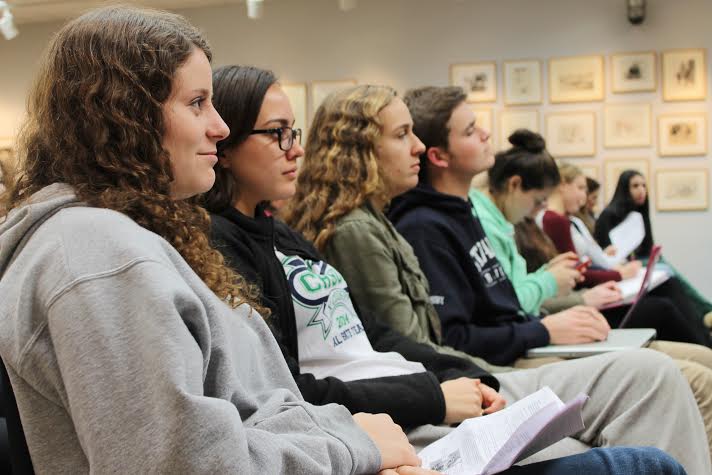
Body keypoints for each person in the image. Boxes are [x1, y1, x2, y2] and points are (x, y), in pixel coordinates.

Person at [0, 8, 443, 474]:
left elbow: (247, 415)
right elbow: (180, 464)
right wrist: (348, 443)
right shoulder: (99, 257)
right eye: (197, 103)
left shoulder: (137, 233)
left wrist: (349, 439)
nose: (221, 127)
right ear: (125, 116)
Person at [282, 84, 709, 472]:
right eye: (401, 135)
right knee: (667, 376)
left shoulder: (409, 219)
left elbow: (417, 337)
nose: (415, 146)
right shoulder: (389, 228)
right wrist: (497, 364)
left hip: (468, 368)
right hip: (461, 375)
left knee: (663, 365)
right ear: (361, 151)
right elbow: (417, 342)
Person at [202, 65, 503, 435]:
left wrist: (457, 372)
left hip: (407, 393)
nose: (296, 149)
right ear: (225, 147)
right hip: (379, 419)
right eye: (278, 133)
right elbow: (285, 388)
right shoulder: (219, 243)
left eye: (293, 132)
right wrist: (434, 396)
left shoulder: (279, 232)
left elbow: (371, 331)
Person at [540, 162, 712, 347]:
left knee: (667, 281)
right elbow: (575, 273)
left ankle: (704, 334)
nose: (584, 195)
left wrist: (612, 265)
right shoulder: (554, 220)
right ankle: (704, 338)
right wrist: (618, 274)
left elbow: (583, 263)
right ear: (563, 185)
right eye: (581, 188)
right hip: (585, 295)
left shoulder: (568, 220)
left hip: (592, 287)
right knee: (663, 298)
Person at [594, 170, 712, 324]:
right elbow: (607, 254)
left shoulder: (639, 214)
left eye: (644, 185)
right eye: (635, 186)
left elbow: (646, 248)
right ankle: (705, 311)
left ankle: (703, 313)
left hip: (640, 263)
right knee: (668, 272)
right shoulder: (608, 215)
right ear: (624, 189)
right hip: (622, 267)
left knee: (668, 271)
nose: (641, 190)